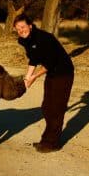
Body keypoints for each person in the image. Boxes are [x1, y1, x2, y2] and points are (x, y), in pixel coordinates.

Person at [14, 14, 74, 153]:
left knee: (56, 108)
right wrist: (27, 79)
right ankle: (46, 140)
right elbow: (34, 59)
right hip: (52, 73)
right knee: (47, 107)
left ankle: (52, 143)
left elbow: (49, 63)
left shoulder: (43, 38)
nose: (20, 30)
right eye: (17, 29)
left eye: (22, 27)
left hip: (63, 73)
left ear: (30, 25)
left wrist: (34, 77)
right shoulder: (25, 40)